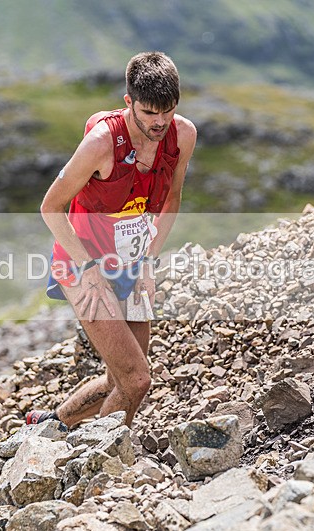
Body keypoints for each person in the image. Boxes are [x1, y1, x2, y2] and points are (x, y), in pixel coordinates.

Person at [31, 51, 196, 428]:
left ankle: (53, 424)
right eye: (149, 112)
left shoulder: (183, 135)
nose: (159, 122)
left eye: (167, 110)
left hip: (131, 263)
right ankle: (97, 456)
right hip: (82, 263)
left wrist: (149, 262)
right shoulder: (101, 143)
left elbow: (172, 199)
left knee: (118, 379)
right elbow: (50, 207)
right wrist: (89, 271)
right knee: (137, 380)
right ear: (129, 102)